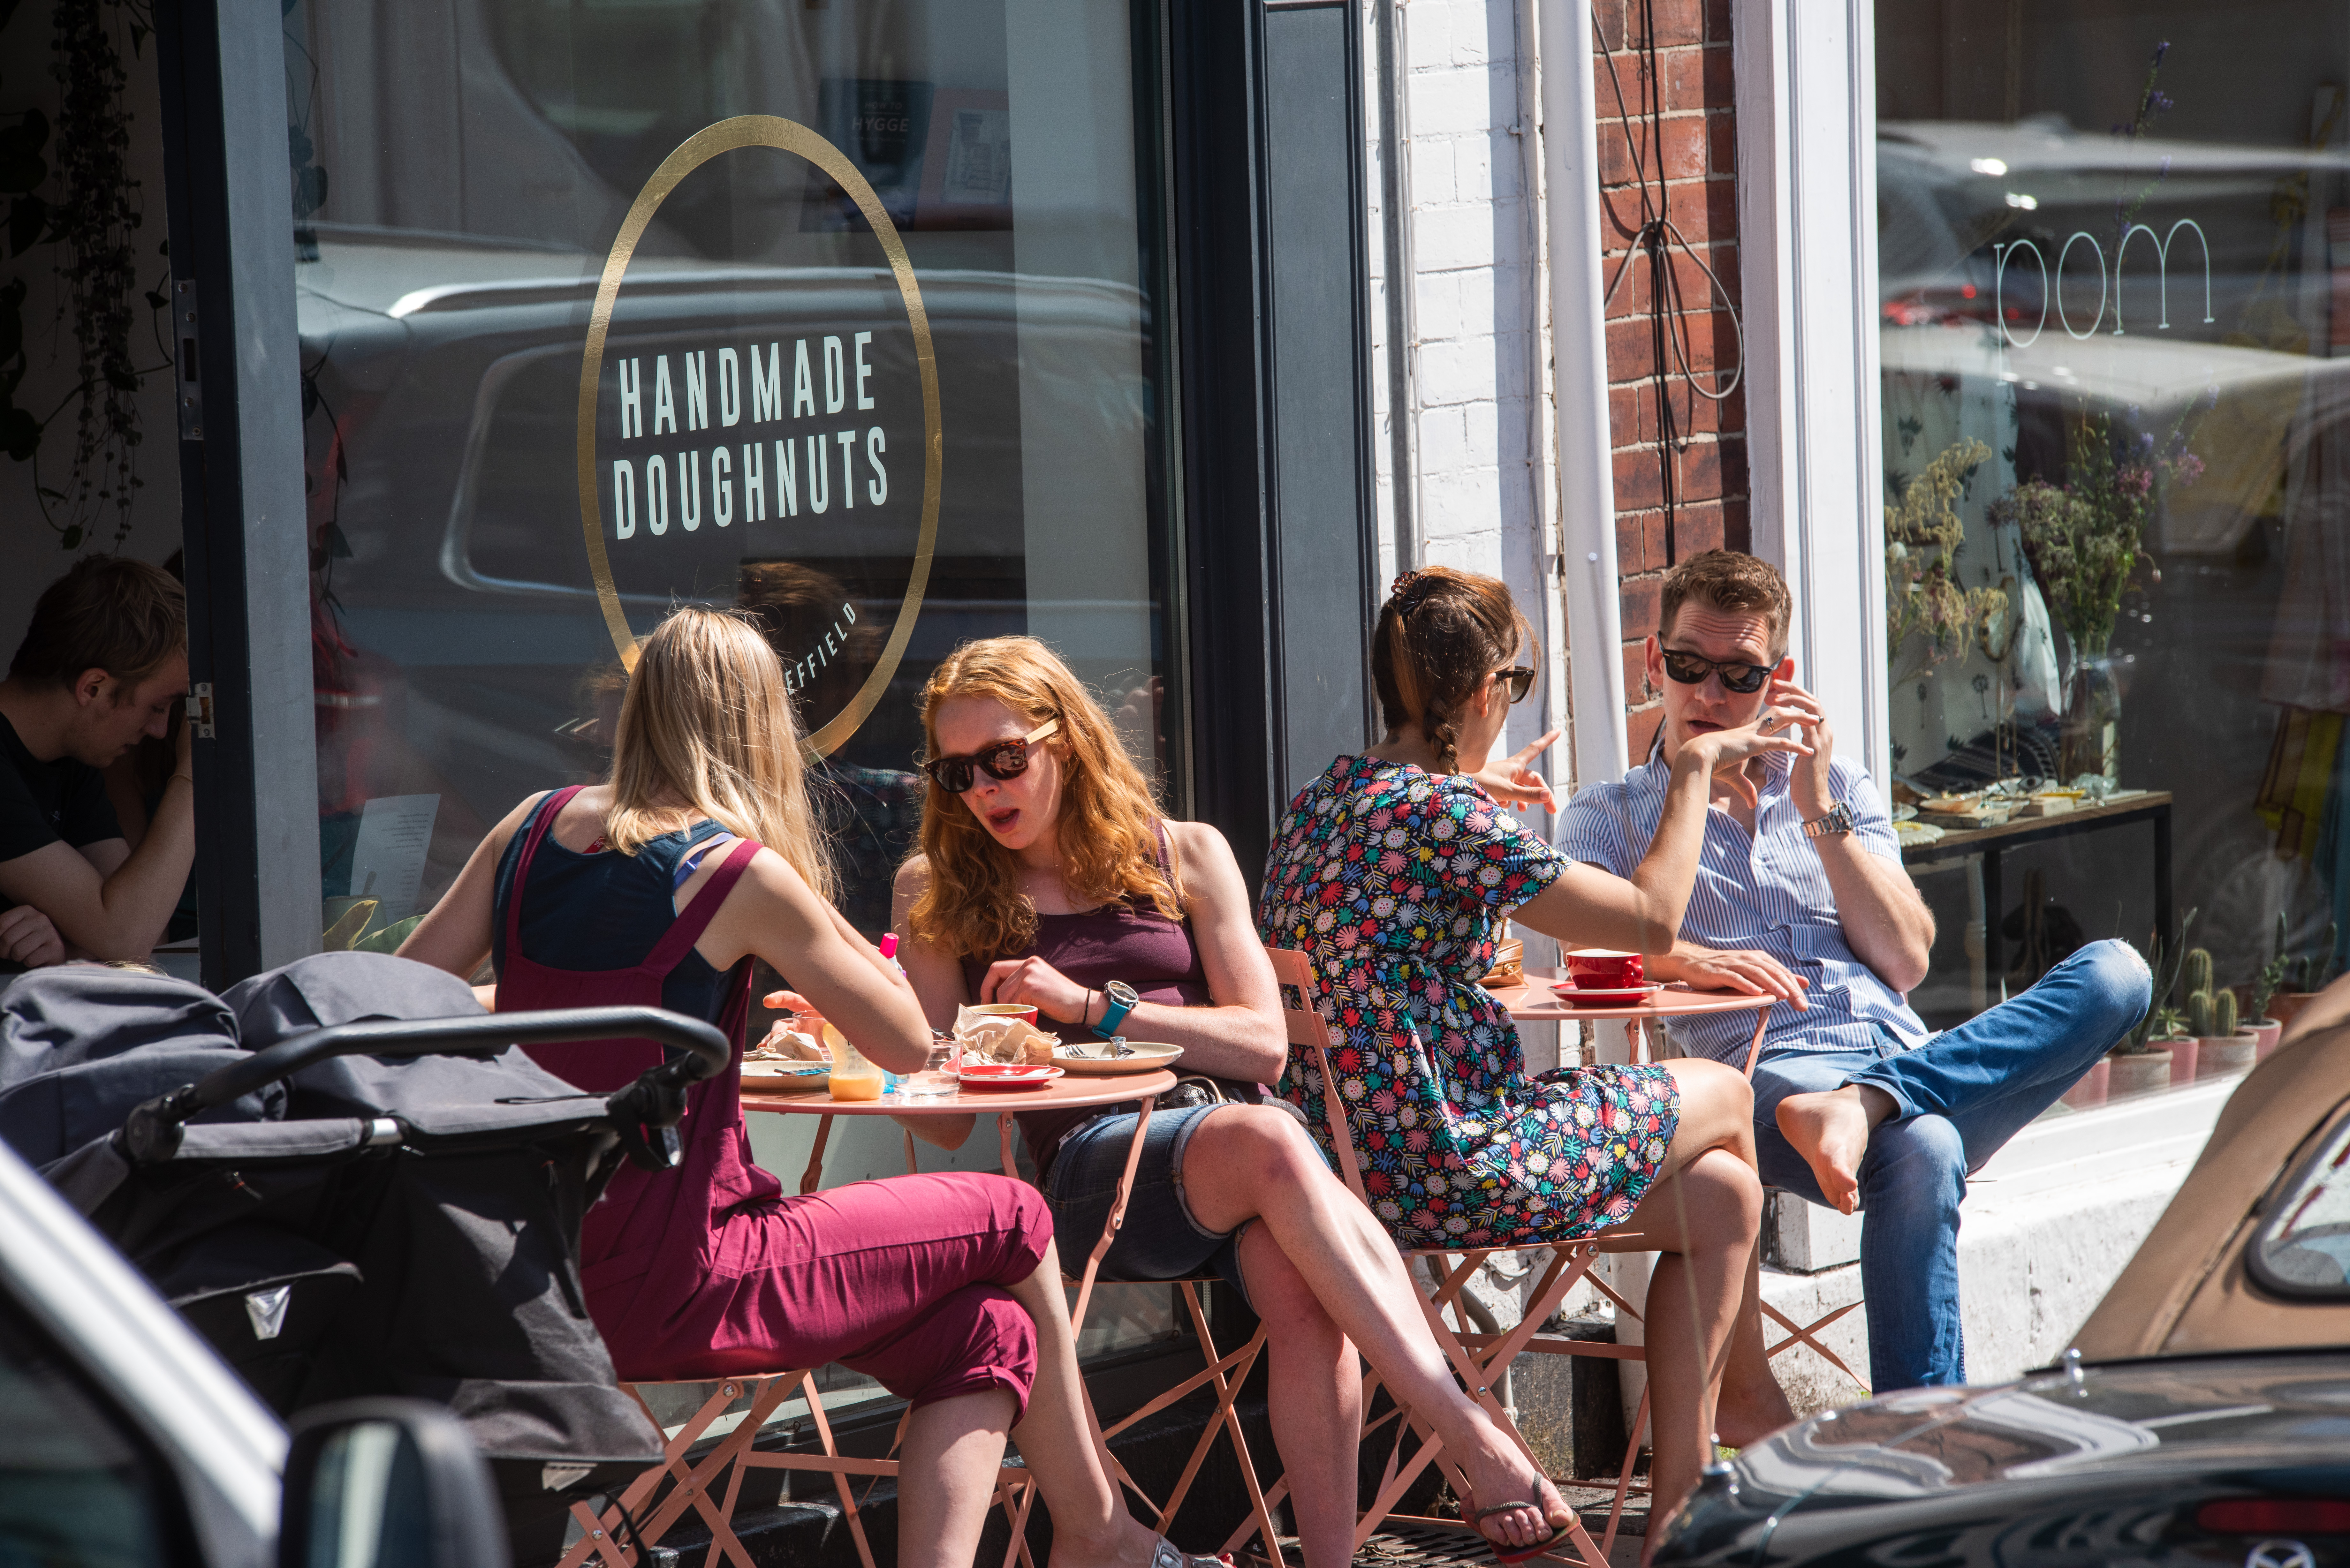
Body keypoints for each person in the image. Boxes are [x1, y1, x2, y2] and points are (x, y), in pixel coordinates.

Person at [400, 608, 1216, 1568]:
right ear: (757, 730)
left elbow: (405, 1001)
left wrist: (541, 1001)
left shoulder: (526, 831)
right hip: (690, 1275)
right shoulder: (735, 871)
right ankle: (1103, 1537)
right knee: (1015, 1217)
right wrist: (825, 920)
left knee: (986, 1335)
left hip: (539, 1276)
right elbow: (912, 1042)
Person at [890, 636, 1576, 1568]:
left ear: (1068, 739)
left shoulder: (1184, 853)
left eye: (1006, 759)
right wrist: (903, 1030)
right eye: (957, 770)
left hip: (1249, 1154)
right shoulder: (937, 887)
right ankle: (1463, 1430)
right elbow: (939, 1115)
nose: (983, 789)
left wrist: (1094, 1007)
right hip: (1098, 1172)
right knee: (1276, 1141)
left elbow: (1262, 1042)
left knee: (1300, 1274)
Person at [1257, 566, 1809, 1537]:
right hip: (1456, 1167)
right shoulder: (1447, 819)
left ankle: (1682, 1509)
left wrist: (1471, 794)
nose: (1515, 705)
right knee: (1723, 1090)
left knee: (1725, 1199)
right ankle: (1732, 1431)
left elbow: (1393, 916)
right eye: (1514, 685)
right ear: (1483, 695)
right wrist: (1688, 771)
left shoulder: (1324, 803)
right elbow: (1646, 920)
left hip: (1336, 1186)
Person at [1554, 549, 2153, 1394]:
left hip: (1893, 1052)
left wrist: (1818, 810)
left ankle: (1868, 1105)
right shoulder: (1607, 815)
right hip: (1767, 1080)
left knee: (2119, 975)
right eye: (1688, 667)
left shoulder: (1838, 787)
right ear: (1655, 662)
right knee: (1929, 1145)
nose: (1710, 696)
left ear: (1781, 680)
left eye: (1740, 675)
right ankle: (1924, 1452)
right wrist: (1692, 957)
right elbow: (1589, 956)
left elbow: (1906, 959)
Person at [0, 555, 193, 967]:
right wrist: (193, 775)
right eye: (159, 707)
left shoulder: (71, 758)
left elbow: (145, 927)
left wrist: (69, 948)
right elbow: (126, 936)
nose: (160, 731)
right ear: (93, 688)